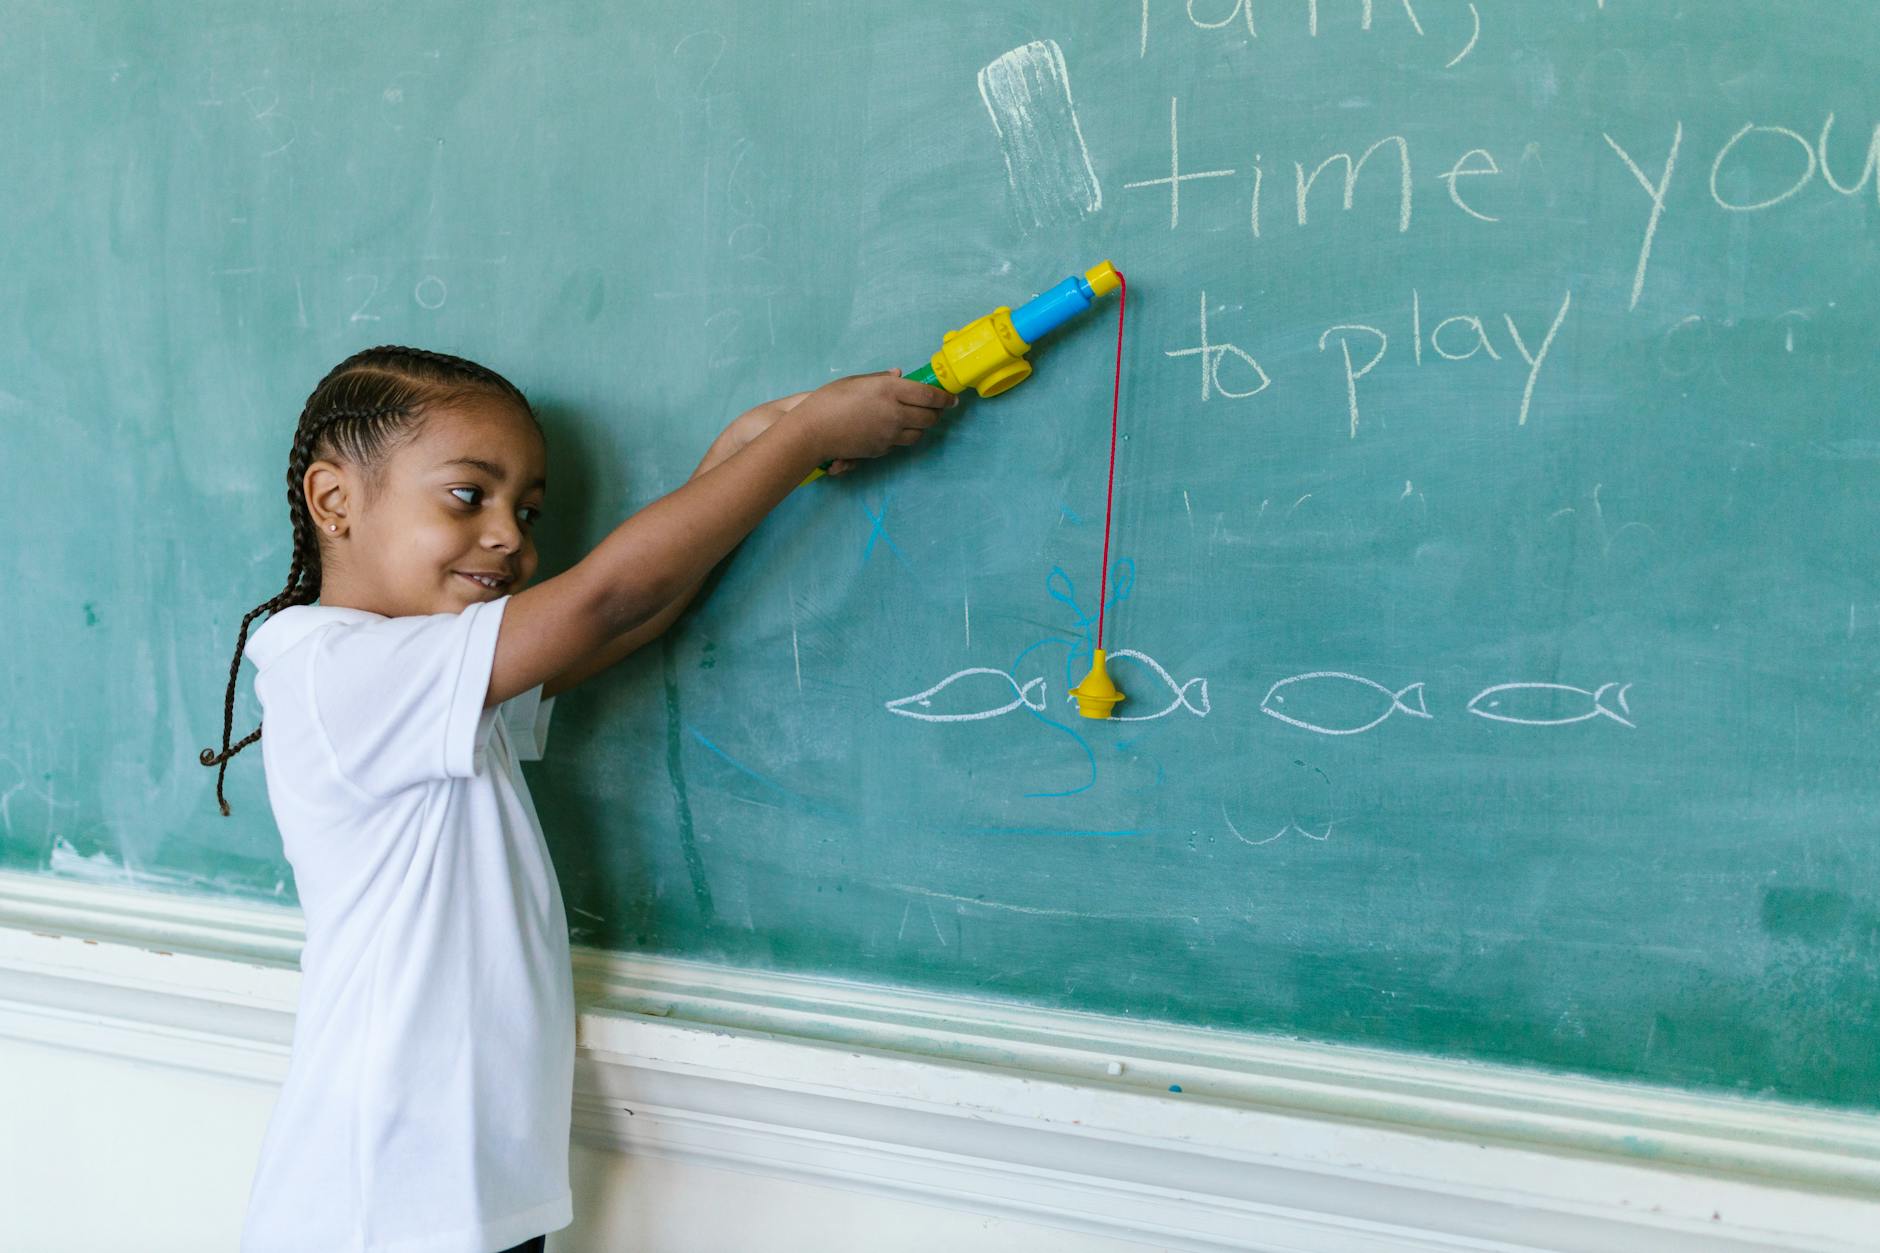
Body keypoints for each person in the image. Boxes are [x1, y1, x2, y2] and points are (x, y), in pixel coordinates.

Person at [199, 345, 954, 1252]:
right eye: (468, 495)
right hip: (379, 1204)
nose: (511, 535)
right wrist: (800, 443)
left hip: (462, 1194)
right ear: (334, 501)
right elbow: (603, 598)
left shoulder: (433, 685)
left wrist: (745, 449)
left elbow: (635, 613)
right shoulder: (339, 669)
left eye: (527, 509)